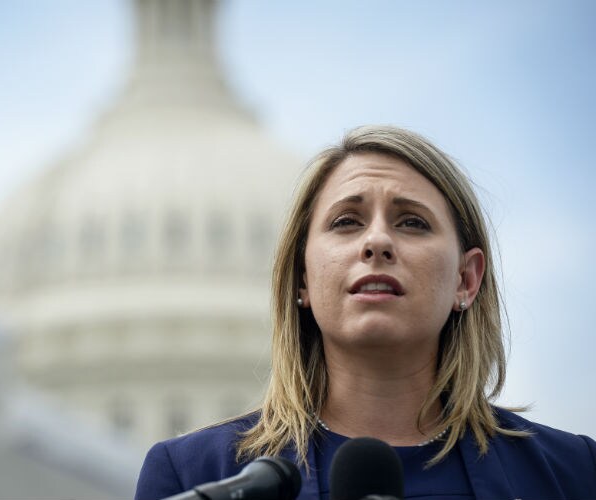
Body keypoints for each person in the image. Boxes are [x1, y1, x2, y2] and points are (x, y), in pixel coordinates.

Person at [135, 126, 596, 500]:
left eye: (411, 222)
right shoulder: (197, 476)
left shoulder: (572, 473)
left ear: (466, 279)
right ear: (302, 278)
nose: (377, 242)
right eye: (346, 222)